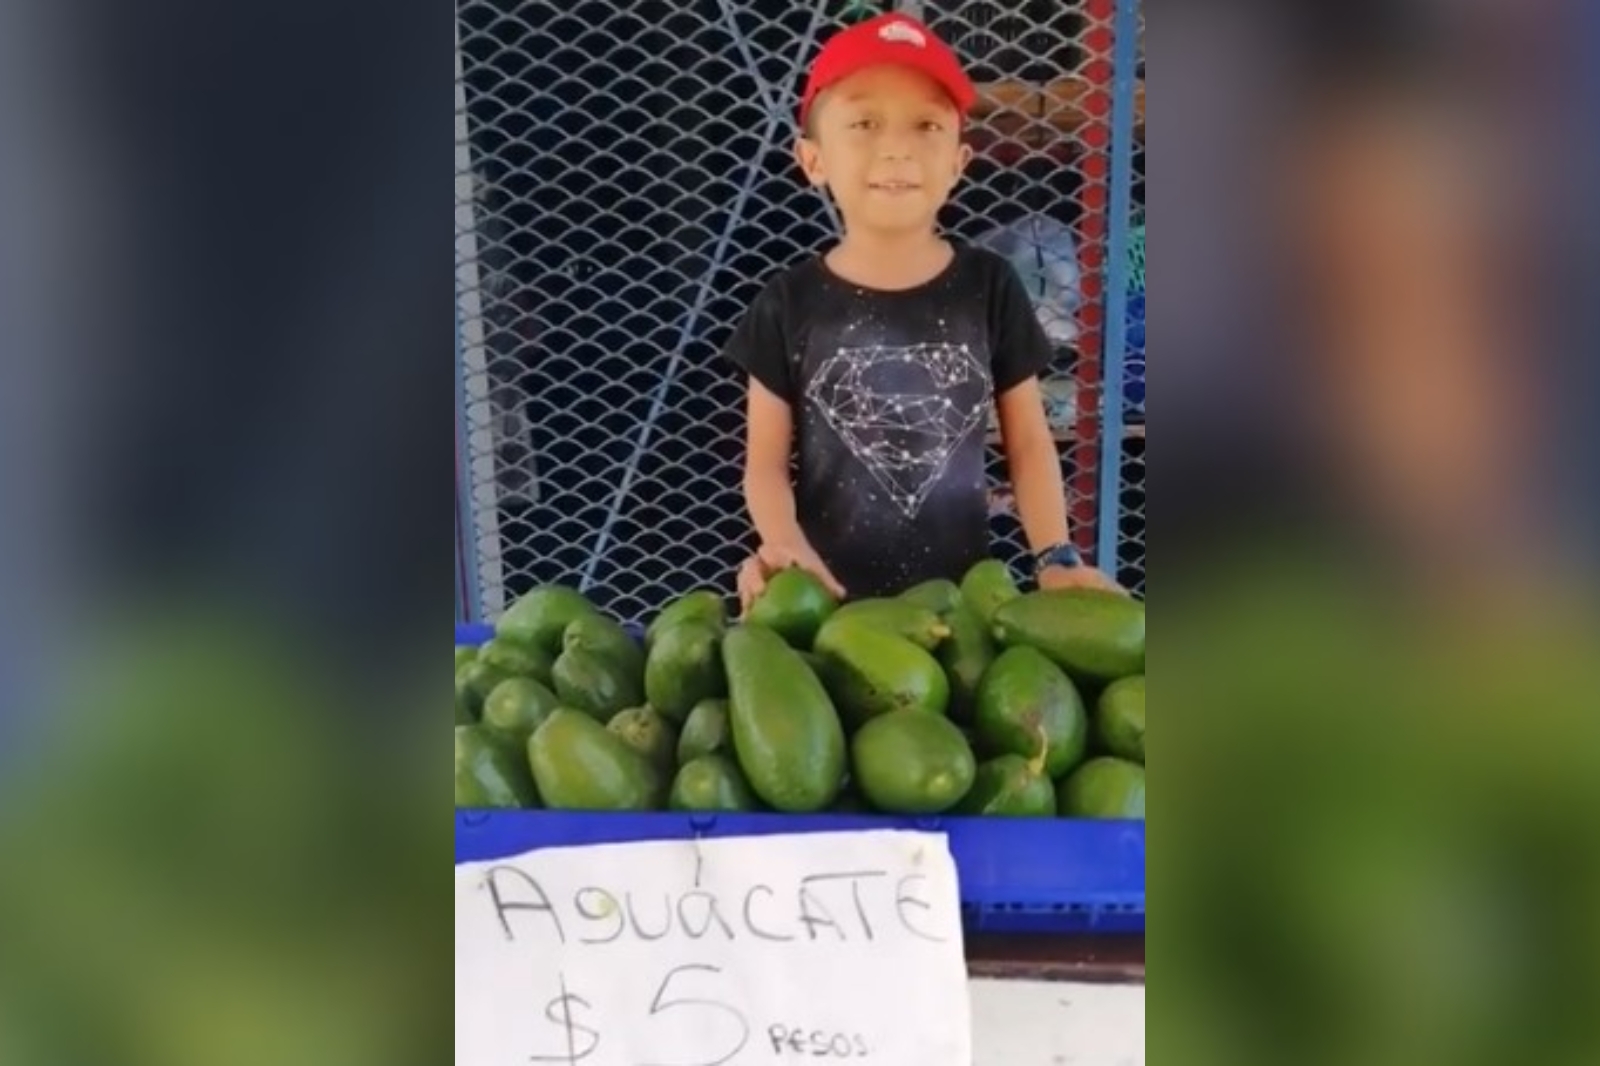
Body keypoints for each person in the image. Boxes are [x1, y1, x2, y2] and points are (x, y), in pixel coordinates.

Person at [721, 12, 1122, 612]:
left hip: (963, 617)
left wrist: (1056, 557)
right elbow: (765, 465)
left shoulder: (990, 286)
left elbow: (1031, 444)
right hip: (828, 614)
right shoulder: (786, 303)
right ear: (812, 160)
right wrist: (783, 546)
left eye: (926, 125)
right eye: (864, 122)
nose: (897, 149)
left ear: (959, 163)